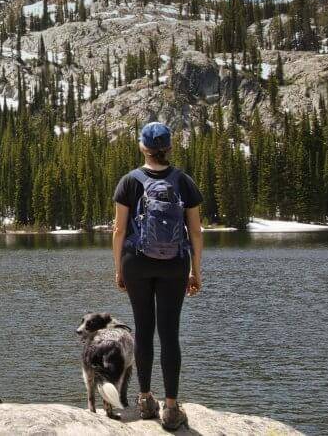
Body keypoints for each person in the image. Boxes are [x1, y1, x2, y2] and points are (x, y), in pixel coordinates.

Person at [112, 121, 203, 431]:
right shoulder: (184, 182)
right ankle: (172, 408)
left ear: (143, 147)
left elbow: (119, 230)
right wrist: (195, 270)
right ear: (169, 149)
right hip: (175, 265)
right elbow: (196, 232)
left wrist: (119, 268)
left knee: (143, 328)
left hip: (136, 263)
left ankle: (146, 399)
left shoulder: (129, 181)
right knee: (169, 333)